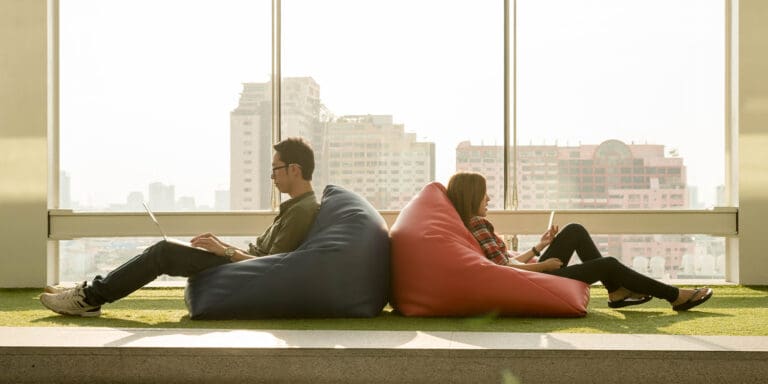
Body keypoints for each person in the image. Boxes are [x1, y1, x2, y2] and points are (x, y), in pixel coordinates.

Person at [40, 137, 320, 317]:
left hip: (247, 274)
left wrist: (224, 252)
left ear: (294, 169)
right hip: (239, 264)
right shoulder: (295, 207)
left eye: (276, 169)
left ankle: (89, 298)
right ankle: (91, 292)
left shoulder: (302, 211)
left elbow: (272, 267)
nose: (272, 176)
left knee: (164, 252)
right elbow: (263, 256)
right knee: (170, 247)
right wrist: (223, 246)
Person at [446, 171, 713, 311]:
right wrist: (543, 266)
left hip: (527, 273)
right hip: (532, 278)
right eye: (484, 195)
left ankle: (616, 292)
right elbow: (501, 270)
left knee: (574, 230)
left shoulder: (471, 223)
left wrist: (538, 248)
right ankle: (675, 296)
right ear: (472, 197)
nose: (489, 199)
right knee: (607, 263)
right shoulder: (477, 223)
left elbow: (503, 261)